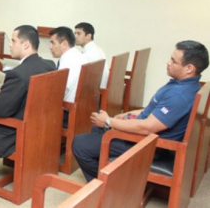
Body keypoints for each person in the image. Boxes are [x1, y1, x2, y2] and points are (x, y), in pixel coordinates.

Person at [72, 40, 209, 182]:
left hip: (149, 145)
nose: (168, 62)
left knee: (80, 144)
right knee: (97, 130)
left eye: (173, 61)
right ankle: (114, 174)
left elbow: (147, 127)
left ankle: (108, 188)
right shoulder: (185, 85)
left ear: (189, 68)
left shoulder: (179, 95)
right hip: (147, 137)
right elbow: (153, 110)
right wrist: (127, 115)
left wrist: (108, 121)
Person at [0, 25, 56, 177]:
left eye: (14, 40)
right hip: (39, 126)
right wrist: (4, 94)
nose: (10, 44)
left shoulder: (18, 74)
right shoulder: (49, 65)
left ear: (26, 44)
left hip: (13, 131)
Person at [49, 27, 88, 127]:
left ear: (64, 44)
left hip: (68, 112)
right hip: (82, 109)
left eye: (53, 43)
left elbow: (61, 91)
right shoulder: (79, 55)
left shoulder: (67, 62)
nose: (50, 47)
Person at [74, 22, 109, 88]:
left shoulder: (90, 54)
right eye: (75, 33)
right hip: (99, 88)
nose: (75, 36)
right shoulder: (96, 49)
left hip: (96, 91)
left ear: (88, 36)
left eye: (79, 34)